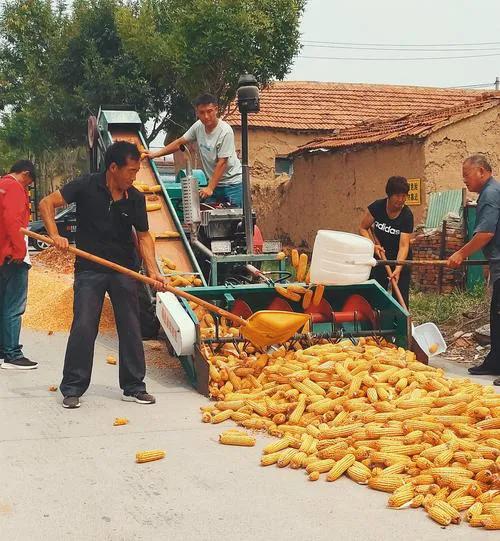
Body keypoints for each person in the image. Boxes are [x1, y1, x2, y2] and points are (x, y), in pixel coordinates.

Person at [39, 141, 165, 408]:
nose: (134, 176)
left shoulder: (136, 198)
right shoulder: (86, 186)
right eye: (131, 171)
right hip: (90, 269)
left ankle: (133, 386)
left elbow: (144, 237)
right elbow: (47, 203)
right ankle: (72, 387)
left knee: (131, 327)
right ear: (113, 167)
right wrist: (54, 234)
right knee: (84, 325)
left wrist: (153, 272)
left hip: (124, 270)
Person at [447, 155, 500, 385]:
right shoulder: (489, 192)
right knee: (496, 318)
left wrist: (461, 253)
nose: (464, 180)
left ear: (481, 171)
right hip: (497, 264)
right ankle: (495, 361)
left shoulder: (490, 194)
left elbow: (486, 233)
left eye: (466, 175)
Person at [144, 93, 243, 207]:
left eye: (209, 111)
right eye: (202, 112)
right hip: (214, 184)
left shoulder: (225, 131)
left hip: (233, 185)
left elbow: (223, 162)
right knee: (209, 219)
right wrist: (155, 154)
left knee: (236, 220)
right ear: (197, 113)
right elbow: (179, 143)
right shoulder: (198, 127)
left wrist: (210, 187)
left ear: (216, 110)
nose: (206, 116)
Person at [0, 160, 38, 370]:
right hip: (12, 255)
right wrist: (19, 251)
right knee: (14, 306)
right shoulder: (14, 187)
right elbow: (12, 220)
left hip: (1, 255)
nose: (27, 186)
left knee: (3, 304)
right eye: (28, 182)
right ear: (25, 173)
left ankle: (2, 350)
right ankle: (12, 354)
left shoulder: (1, 185)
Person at [359, 176, 414, 307]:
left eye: (404, 196)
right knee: (377, 292)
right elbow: (363, 228)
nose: (401, 200)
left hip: (400, 259)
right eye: (397, 196)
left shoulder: (407, 215)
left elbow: (404, 246)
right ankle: (377, 320)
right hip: (380, 256)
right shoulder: (377, 207)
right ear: (389, 195)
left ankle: (400, 324)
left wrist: (398, 268)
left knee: (400, 296)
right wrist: (373, 246)